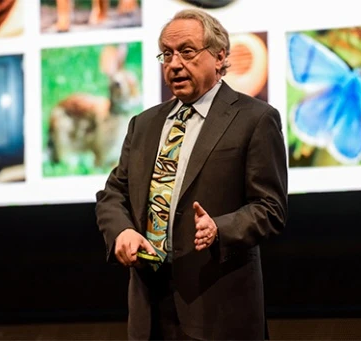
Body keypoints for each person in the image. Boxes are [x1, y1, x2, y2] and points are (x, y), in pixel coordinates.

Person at [95, 8, 288, 340]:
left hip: (218, 309)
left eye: (186, 52)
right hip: (150, 311)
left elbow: (270, 209)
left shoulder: (255, 119)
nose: (173, 64)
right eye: (167, 54)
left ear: (219, 56)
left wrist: (220, 228)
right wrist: (121, 233)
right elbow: (113, 195)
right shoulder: (143, 124)